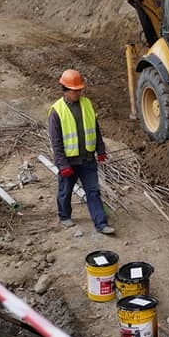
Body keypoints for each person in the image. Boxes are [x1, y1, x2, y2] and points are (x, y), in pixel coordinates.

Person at [47, 69, 114, 234]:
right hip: (69, 162)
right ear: (65, 90)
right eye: (74, 90)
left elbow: (95, 128)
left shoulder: (87, 104)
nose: (78, 93)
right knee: (65, 191)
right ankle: (64, 216)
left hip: (87, 159)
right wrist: (62, 164)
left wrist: (101, 148)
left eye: (79, 90)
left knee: (93, 191)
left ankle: (101, 223)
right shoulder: (56, 111)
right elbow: (56, 142)